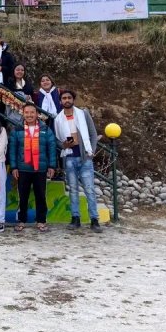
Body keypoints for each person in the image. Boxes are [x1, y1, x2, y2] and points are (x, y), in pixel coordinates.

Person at [53, 89, 102, 233]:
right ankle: (75, 218)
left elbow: (93, 134)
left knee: (89, 189)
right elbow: (57, 140)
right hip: (69, 157)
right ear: (60, 101)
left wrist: (91, 151)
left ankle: (94, 219)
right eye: (64, 98)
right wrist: (64, 145)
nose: (67, 100)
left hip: (85, 157)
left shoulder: (83, 114)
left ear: (73, 99)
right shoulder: (58, 119)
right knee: (73, 189)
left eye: (69, 98)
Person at [9, 102, 57, 232]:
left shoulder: (45, 129)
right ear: (23, 114)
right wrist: (14, 167)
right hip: (22, 169)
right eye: (26, 112)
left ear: (37, 114)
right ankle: (21, 220)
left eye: (32, 112)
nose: (29, 115)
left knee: (40, 195)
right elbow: (12, 150)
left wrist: (52, 166)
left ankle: (41, 221)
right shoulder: (17, 129)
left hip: (40, 169)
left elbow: (52, 148)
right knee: (22, 196)